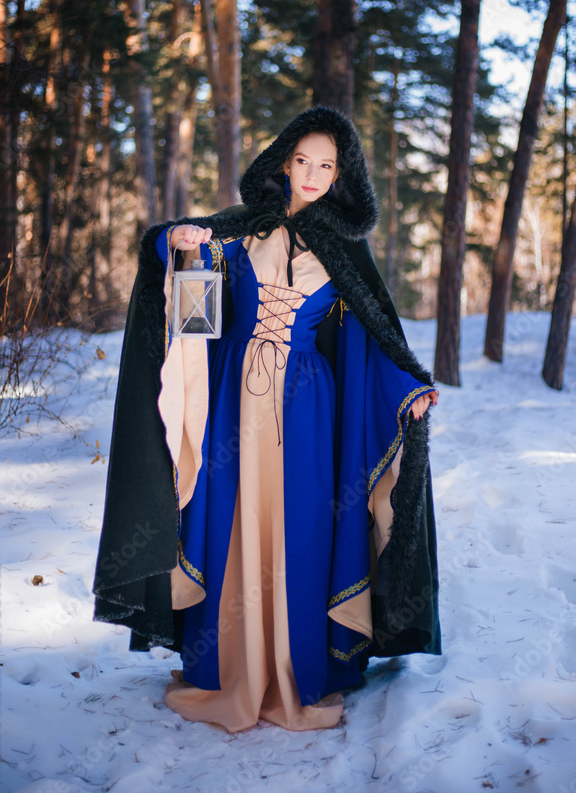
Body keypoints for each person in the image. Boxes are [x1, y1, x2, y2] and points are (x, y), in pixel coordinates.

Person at [92, 105, 441, 734]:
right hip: (231, 402)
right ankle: (227, 667)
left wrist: (407, 386)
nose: (312, 174)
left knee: (303, 530)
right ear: (284, 161)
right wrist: (178, 244)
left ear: (341, 176)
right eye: (303, 161)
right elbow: (177, 268)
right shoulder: (240, 231)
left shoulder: (346, 252)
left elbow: (372, 340)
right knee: (233, 527)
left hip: (308, 411)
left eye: (326, 166)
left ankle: (297, 670)